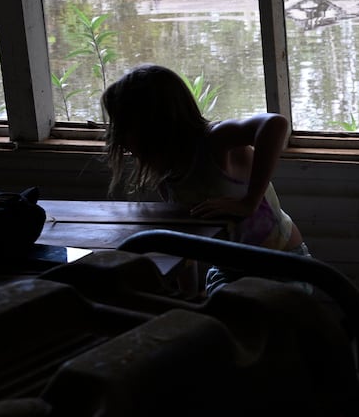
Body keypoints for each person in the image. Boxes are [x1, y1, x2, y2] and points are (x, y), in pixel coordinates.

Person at [101, 63, 308, 291]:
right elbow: (184, 243)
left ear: (151, 125)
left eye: (124, 128)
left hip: (284, 266)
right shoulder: (168, 177)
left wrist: (250, 202)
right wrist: (189, 296)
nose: (119, 141)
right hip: (229, 273)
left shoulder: (214, 141)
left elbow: (275, 124)